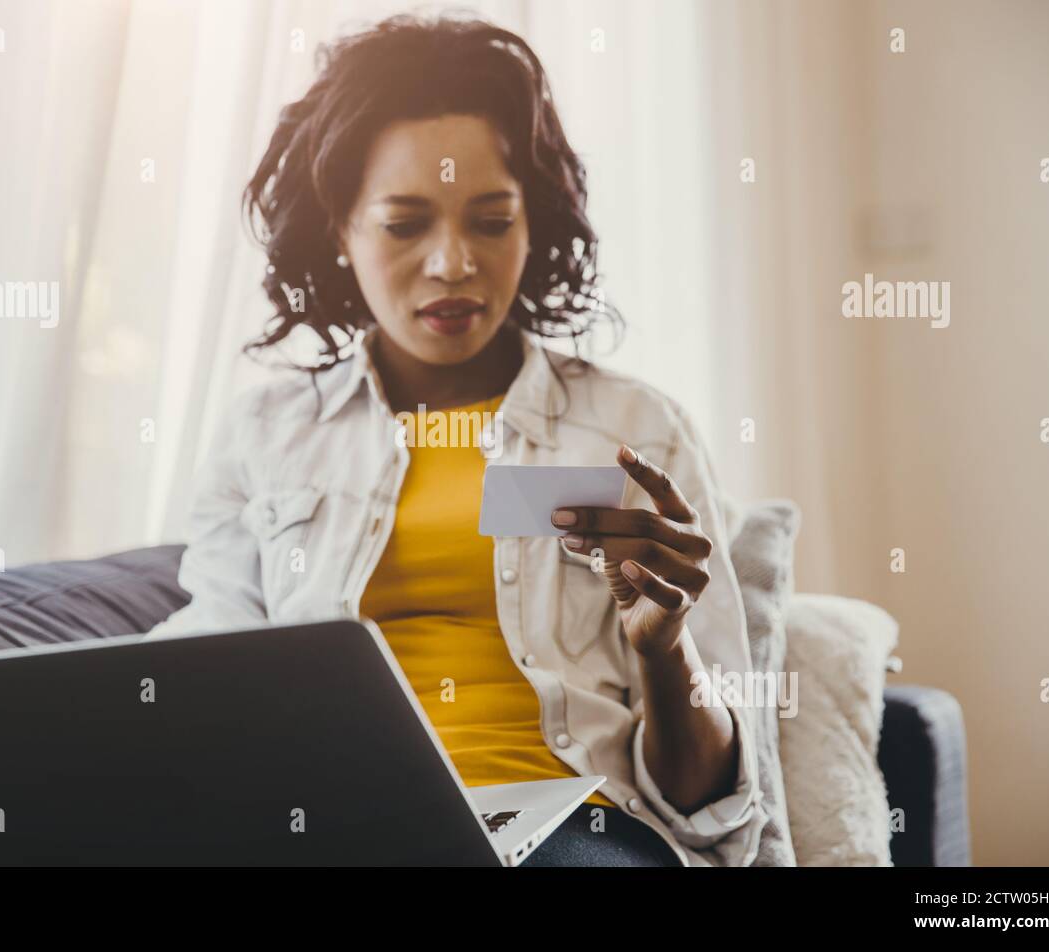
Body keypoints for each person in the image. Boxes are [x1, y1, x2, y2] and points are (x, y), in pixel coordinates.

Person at [147, 13, 766, 867]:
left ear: (532, 223)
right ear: (339, 230)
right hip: (334, 825)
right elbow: (212, 662)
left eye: (490, 220)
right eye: (405, 225)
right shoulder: (268, 435)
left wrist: (666, 655)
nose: (452, 264)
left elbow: (717, 813)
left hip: (569, 828)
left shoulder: (634, 433)